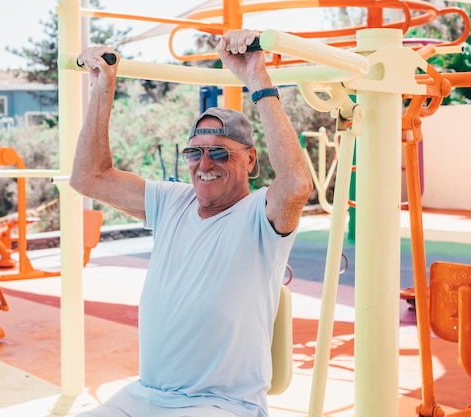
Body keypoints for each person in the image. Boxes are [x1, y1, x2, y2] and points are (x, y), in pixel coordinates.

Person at [70, 29, 312, 417]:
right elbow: (88, 178)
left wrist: (258, 80)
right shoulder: (172, 201)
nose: (205, 164)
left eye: (220, 152)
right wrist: (102, 88)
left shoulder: (260, 216)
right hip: (146, 395)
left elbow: (297, 184)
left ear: (250, 160)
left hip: (223, 406)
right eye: (194, 153)